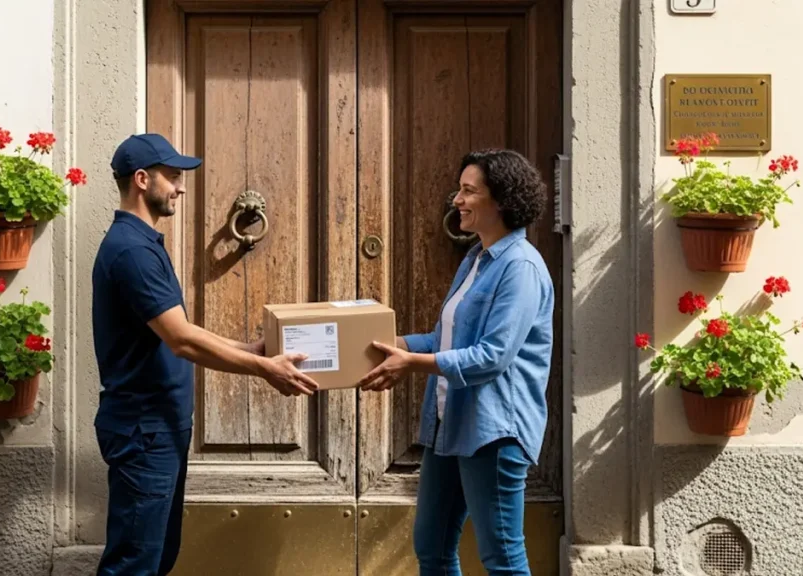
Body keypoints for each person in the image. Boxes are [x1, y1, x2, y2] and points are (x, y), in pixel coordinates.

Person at [90, 133, 320, 575]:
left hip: (158, 428)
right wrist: (263, 368)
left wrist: (246, 348)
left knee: (157, 558)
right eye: (172, 176)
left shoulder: (143, 244)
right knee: (134, 564)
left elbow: (177, 332)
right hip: (145, 431)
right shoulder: (133, 251)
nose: (180, 186)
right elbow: (182, 340)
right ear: (142, 179)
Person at [358, 148, 554, 576]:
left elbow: (493, 356)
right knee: (431, 547)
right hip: (450, 425)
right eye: (459, 190)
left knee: (502, 557)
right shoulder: (475, 260)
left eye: (468, 191)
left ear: (500, 201)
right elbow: (447, 338)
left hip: (494, 431)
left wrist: (411, 363)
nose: (457, 200)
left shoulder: (520, 268)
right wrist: (386, 344)